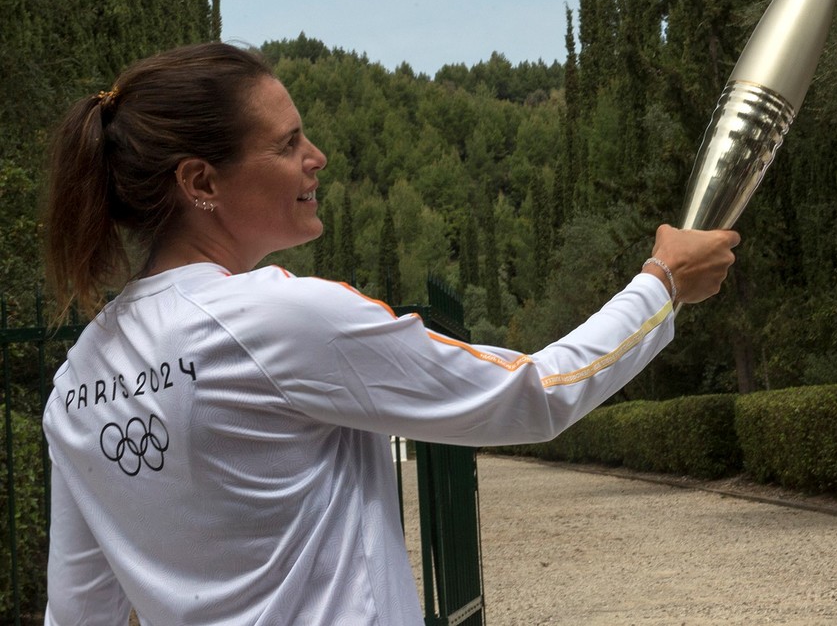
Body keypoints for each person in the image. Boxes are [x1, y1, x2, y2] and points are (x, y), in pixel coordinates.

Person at [39, 42, 740, 625]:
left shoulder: (77, 382)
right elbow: (533, 393)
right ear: (201, 183)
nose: (317, 157)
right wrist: (663, 285)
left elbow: (78, 613)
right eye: (288, 145)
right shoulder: (277, 318)